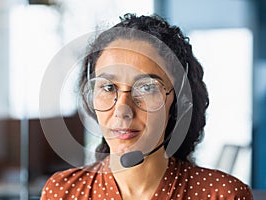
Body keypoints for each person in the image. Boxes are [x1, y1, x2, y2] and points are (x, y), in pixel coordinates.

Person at [41, 13, 253, 199]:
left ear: (177, 99)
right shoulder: (63, 192)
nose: (123, 110)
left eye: (146, 88)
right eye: (107, 87)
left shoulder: (222, 195)